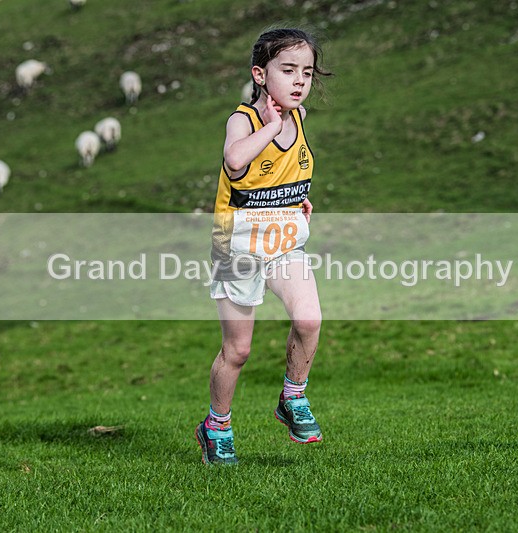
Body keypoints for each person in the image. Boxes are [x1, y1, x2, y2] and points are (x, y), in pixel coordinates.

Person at [195, 27, 331, 465]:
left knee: (309, 319)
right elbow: (236, 162)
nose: (299, 80)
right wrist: (271, 126)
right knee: (238, 351)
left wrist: (298, 198)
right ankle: (217, 426)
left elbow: (283, 169)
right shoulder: (245, 120)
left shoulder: (300, 117)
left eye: (306, 72)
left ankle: (293, 396)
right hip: (237, 248)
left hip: (284, 243)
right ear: (260, 74)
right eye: (287, 70)